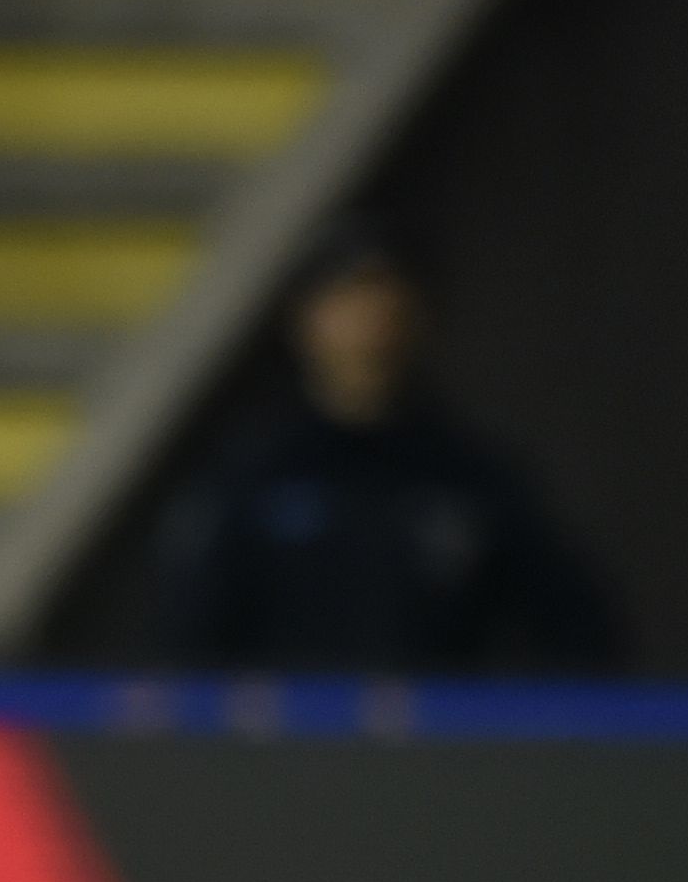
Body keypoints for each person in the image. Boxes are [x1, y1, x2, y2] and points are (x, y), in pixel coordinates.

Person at [155, 242, 622, 672]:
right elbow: (183, 638)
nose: (371, 315)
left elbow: (579, 626)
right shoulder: (251, 473)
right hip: (286, 750)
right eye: (348, 294)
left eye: (386, 291)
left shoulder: (472, 473)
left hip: (437, 751)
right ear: (304, 317)